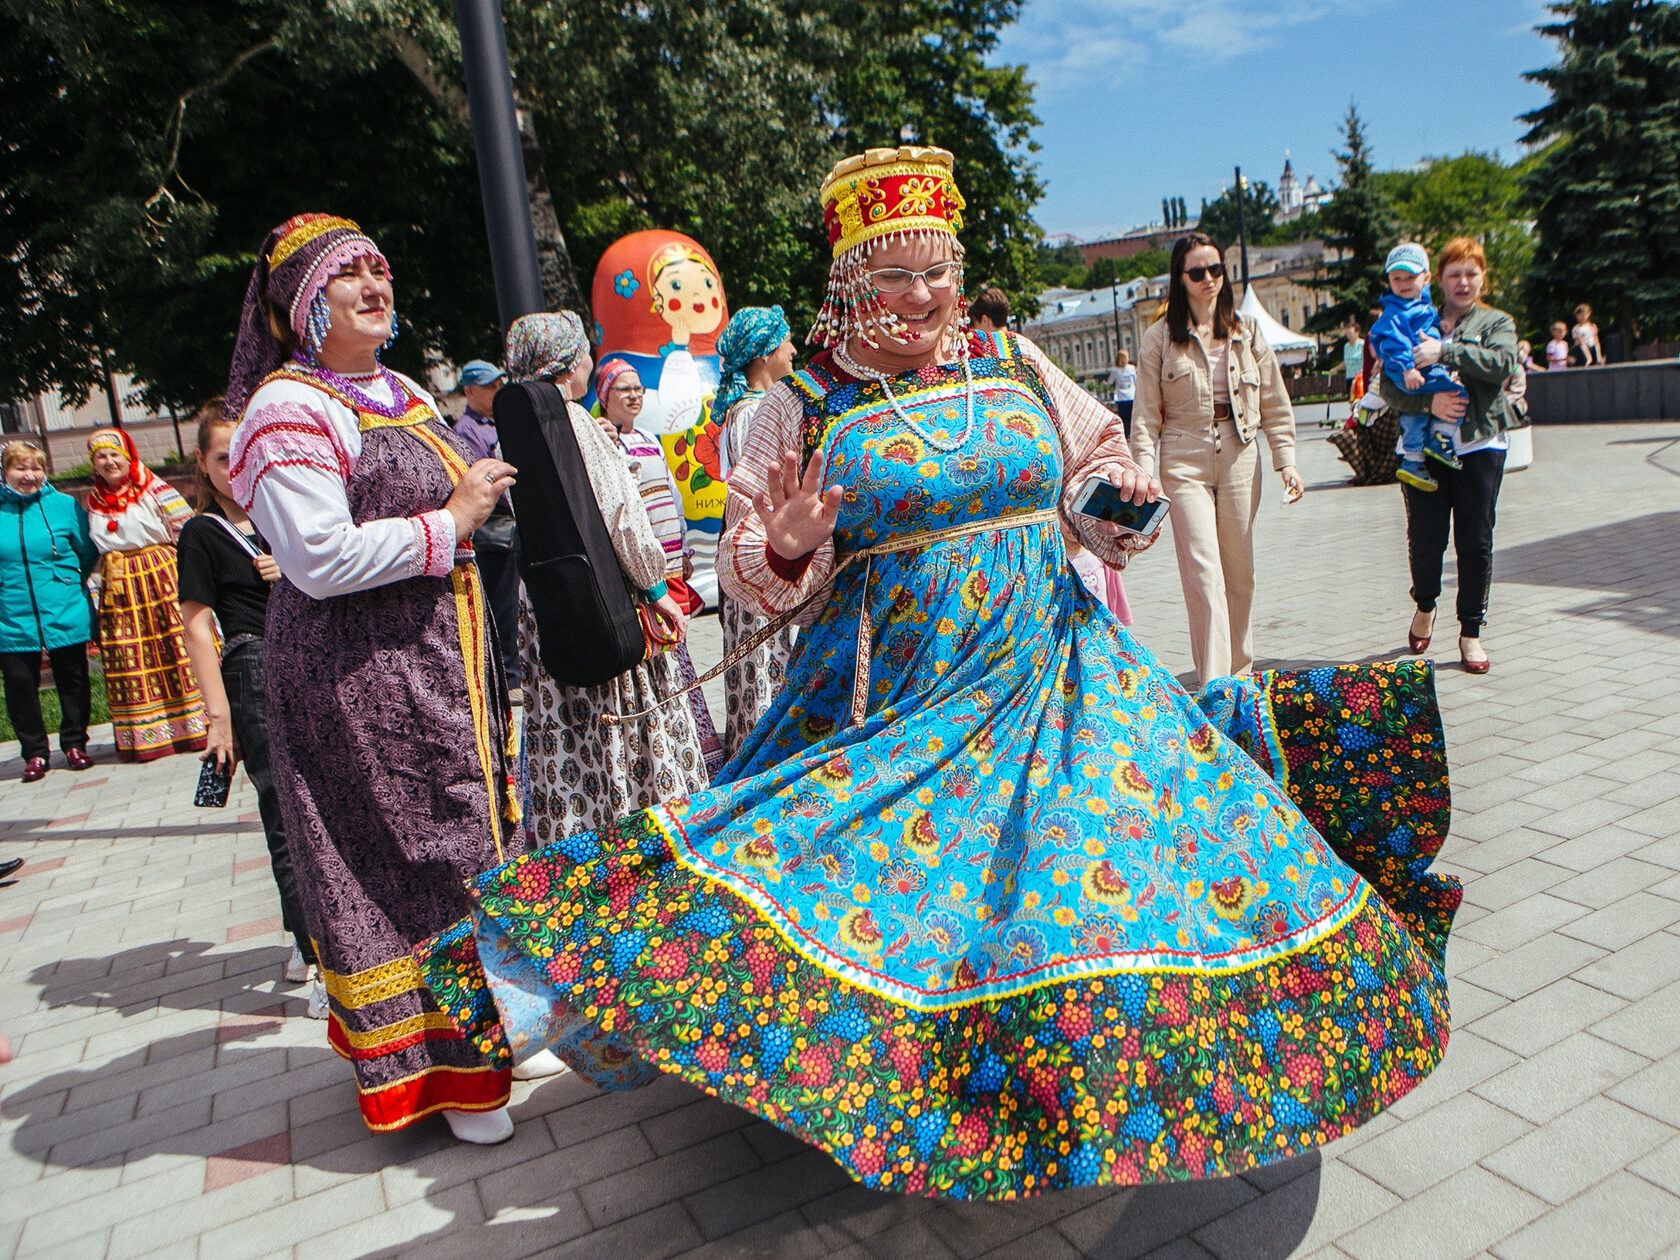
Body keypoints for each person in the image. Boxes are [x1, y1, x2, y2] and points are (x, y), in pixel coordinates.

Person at [417, 147, 1458, 1200]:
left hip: (1057, 665)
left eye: (935, 273)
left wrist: (1121, 493)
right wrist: (781, 542)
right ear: (847, 287)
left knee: (1094, 878)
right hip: (898, 698)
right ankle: (931, 1097)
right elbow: (752, 575)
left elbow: (1093, 465)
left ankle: (1084, 1090)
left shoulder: (1008, 358)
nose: (919, 299)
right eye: (890, 279)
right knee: (894, 903)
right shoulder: (800, 406)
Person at [226, 213, 542, 1144]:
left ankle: (492, 1031)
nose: (374, 285)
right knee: (411, 858)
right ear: (299, 305)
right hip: (356, 677)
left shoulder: (397, 387)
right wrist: (454, 519)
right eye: (346, 275)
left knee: (475, 837)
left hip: (439, 659)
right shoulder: (288, 408)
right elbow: (316, 559)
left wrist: (479, 494)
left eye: (379, 269)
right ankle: (447, 1073)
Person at [503, 313, 710, 842]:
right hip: (605, 594)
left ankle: (576, 826)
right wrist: (656, 587)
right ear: (570, 363)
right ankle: (640, 822)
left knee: (567, 716)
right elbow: (623, 515)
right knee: (625, 711)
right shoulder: (575, 423)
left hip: (545, 601)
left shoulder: (517, 429)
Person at [177, 402, 321, 1003]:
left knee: (332, 805)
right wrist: (219, 718)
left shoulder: (286, 514)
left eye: (243, 451)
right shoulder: (203, 532)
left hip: (315, 663)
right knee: (286, 812)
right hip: (254, 665)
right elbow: (196, 622)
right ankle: (316, 955)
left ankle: (330, 933)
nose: (234, 465)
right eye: (220, 456)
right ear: (205, 470)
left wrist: (292, 568)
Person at [1130, 232, 1304, 686]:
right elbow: (1145, 417)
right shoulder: (1159, 339)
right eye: (1197, 272)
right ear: (1180, 278)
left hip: (1241, 452)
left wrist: (1287, 460)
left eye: (1215, 269)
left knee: (1239, 573)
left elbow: (1275, 402)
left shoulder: (1246, 331)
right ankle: (1214, 686)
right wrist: (1143, 475)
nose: (1208, 279)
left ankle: (1241, 674)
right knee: (1204, 575)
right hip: (1183, 458)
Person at [1381, 236, 1520, 675]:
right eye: (1454, 274)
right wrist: (1428, 404)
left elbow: (1502, 364)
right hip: (1425, 451)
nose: (1463, 282)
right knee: (1426, 539)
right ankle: (1425, 604)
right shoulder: (1410, 315)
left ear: (1483, 278)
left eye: (1471, 273)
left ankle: (1471, 633)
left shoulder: (1496, 321)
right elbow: (1387, 387)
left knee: (1474, 541)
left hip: (1479, 445)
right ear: (1436, 279)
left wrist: (1446, 351)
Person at [597, 356, 725, 775]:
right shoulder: (604, 443)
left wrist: (685, 551)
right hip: (641, 573)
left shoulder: (650, 438)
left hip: (671, 565)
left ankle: (694, 741)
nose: (634, 395)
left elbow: (671, 495)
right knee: (655, 651)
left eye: (638, 389)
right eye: (623, 389)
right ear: (604, 397)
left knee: (679, 650)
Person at [83, 428, 207, 761]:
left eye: (115, 455)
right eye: (101, 457)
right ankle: (146, 734)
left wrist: (192, 576)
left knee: (175, 645)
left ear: (128, 457)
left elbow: (186, 529)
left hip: (159, 575)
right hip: (119, 585)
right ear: (94, 464)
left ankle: (195, 727)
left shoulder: (154, 488)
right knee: (130, 656)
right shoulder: (93, 502)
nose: (109, 462)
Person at [712, 305, 800, 760]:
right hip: (763, 556)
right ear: (765, 354)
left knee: (759, 668)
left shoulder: (742, 412)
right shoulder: (755, 413)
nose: (793, 349)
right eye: (785, 341)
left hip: (756, 555)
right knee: (767, 667)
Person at [0, 440, 97, 782]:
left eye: (36, 468)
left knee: (73, 678)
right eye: (20, 468)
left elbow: (86, 552)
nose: (29, 475)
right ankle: (35, 753)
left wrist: (68, 583)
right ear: (5, 471)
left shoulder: (65, 506)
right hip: (10, 614)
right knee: (19, 685)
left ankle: (74, 743)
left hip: (62, 604)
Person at [1368, 244, 1466, 493]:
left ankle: (1413, 459)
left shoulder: (1418, 304)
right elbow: (1395, 343)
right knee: (1456, 392)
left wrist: (1439, 324)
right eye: (1396, 278)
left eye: (1410, 277)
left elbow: (1423, 325)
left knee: (1415, 413)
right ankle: (1439, 438)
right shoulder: (1395, 311)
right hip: (1409, 370)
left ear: (1426, 278)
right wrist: (1407, 369)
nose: (1403, 283)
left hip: (1413, 369)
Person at [452, 359, 521, 686]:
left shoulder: (498, 423)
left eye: (499, 384)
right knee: (502, 605)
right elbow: (487, 480)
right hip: (494, 530)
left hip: (510, 527)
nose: (498, 391)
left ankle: (514, 670)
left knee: (514, 603)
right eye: (490, 386)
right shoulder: (467, 430)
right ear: (470, 391)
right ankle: (508, 677)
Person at [1107, 348, 1137, 436]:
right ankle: (1132, 433)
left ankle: (1126, 434)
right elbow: (1136, 381)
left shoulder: (1115, 370)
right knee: (1131, 416)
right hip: (1131, 396)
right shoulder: (1132, 368)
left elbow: (1110, 381)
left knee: (1123, 417)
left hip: (1120, 397)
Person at [1341, 316, 1365, 417]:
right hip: (1350, 377)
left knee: (1361, 398)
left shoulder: (1362, 344)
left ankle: (1362, 416)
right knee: (1351, 399)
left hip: (1359, 376)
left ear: (1357, 332)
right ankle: (1354, 416)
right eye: (1347, 334)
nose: (1348, 336)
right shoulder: (1346, 346)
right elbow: (1346, 362)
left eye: (1350, 333)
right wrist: (1335, 369)